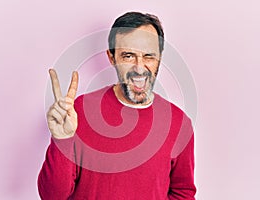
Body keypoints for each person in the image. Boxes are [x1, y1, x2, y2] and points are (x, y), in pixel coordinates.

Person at [38, 12, 196, 199]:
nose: (139, 67)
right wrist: (62, 140)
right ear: (111, 58)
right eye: (128, 56)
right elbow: (52, 196)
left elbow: (182, 192)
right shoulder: (79, 111)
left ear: (159, 58)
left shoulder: (178, 123)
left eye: (148, 56)